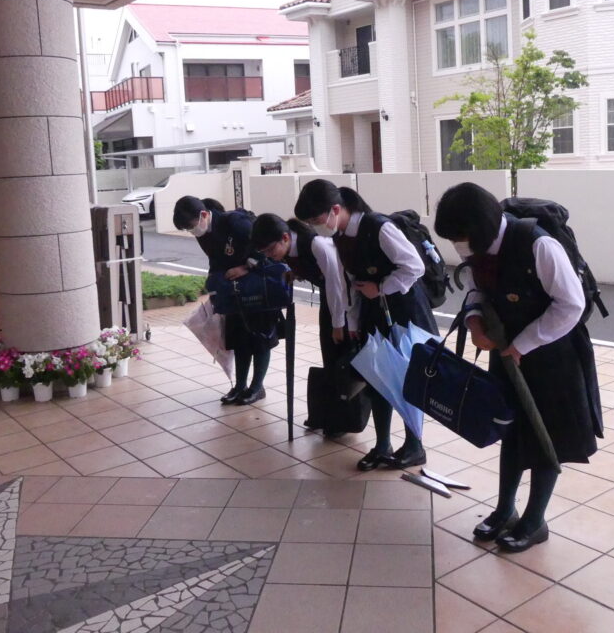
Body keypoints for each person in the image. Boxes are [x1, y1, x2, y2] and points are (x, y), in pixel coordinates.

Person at [434, 182, 602, 553]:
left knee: (545, 437)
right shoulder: (480, 249)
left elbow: (570, 306)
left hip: (552, 355)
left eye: (460, 238)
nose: (458, 247)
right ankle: (505, 509)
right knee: (510, 431)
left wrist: (522, 345)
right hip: (507, 352)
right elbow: (476, 288)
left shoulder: (539, 246)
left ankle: (534, 519)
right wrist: (474, 320)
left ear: (480, 228)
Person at [294, 179, 439, 471]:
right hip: (373, 313)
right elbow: (352, 282)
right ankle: (382, 444)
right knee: (377, 380)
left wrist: (381, 287)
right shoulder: (340, 236)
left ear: (335, 209)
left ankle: (414, 445)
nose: (315, 227)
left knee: (406, 380)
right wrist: (353, 321)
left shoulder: (379, 227)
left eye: (316, 220)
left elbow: (414, 267)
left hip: (405, 313)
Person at [251, 213, 352, 433]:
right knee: (330, 357)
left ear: (285, 237)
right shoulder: (289, 248)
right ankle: (329, 416)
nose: (269, 256)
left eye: (270, 250)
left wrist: (338, 324)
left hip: (349, 301)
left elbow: (337, 286)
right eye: (264, 252)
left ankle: (344, 420)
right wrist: (295, 273)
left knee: (343, 360)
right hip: (331, 299)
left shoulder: (317, 245)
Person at [172, 195, 278, 405]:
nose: (192, 231)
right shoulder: (204, 232)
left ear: (204, 215)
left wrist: (245, 267)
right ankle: (240, 386)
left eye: (191, 226)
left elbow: (266, 248)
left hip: (257, 287)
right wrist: (214, 286)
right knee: (239, 339)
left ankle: (257, 387)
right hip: (234, 292)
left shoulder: (236, 222)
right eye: (187, 229)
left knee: (260, 340)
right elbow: (215, 260)